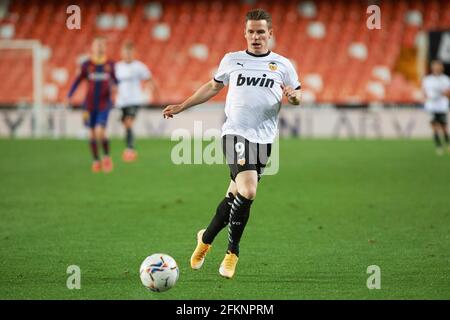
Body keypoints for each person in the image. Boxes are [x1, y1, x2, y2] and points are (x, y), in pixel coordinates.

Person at [162, 9, 301, 278]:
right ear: (245, 33)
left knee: (234, 196)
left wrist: (292, 97)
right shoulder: (232, 60)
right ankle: (232, 252)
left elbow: (297, 97)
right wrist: (182, 106)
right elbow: (213, 87)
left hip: (264, 139)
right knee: (248, 191)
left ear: (270, 34)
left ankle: (205, 238)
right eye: (251, 31)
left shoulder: (283, 65)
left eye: (261, 31)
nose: (256, 36)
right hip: (235, 133)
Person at [67, 36, 118, 172]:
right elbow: (78, 80)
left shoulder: (111, 65)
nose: (99, 48)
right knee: (91, 134)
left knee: (100, 131)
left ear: (105, 48)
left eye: (102, 45)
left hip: (104, 104)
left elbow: (116, 81)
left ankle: (106, 157)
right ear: (92, 48)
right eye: (97, 45)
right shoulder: (87, 65)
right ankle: (96, 160)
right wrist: (69, 95)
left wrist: (116, 90)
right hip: (89, 105)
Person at [115, 41, 159, 162]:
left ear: (133, 53)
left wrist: (156, 92)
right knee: (126, 125)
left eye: (130, 53)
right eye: (126, 52)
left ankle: (130, 150)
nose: (128, 55)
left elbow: (149, 79)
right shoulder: (117, 67)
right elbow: (113, 83)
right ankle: (129, 146)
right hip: (121, 101)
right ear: (122, 53)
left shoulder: (139, 66)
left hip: (134, 100)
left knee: (129, 122)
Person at [422, 60, 450, 155]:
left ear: (441, 67)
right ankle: (438, 146)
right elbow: (425, 92)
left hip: (442, 106)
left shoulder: (445, 79)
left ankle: (447, 143)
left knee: (444, 127)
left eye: (438, 66)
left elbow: (448, 93)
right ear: (432, 67)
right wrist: (428, 97)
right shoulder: (427, 79)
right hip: (431, 106)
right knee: (434, 126)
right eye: (435, 66)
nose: (437, 68)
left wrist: (444, 94)